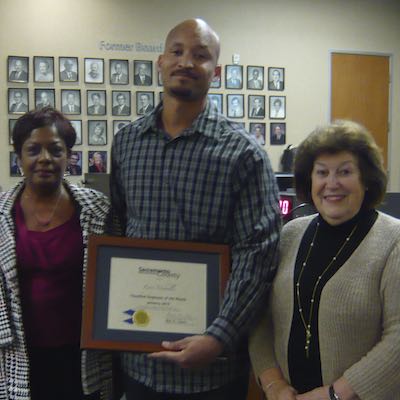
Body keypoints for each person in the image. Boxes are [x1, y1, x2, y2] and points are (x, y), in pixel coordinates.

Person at [110, 18, 281, 400]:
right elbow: (120, 231)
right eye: (177, 51)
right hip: (139, 363)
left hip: (211, 372)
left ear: (215, 72)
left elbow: (258, 255)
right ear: (160, 62)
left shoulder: (243, 154)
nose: (186, 62)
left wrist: (219, 336)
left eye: (200, 55)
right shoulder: (126, 143)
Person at [249, 120, 400, 400]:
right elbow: (260, 319)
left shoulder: (394, 240)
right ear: (310, 180)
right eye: (322, 172)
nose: (332, 183)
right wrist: (274, 385)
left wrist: (333, 395)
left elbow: (398, 340)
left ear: (366, 180)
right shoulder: (290, 235)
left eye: (344, 171)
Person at [0, 107, 112, 399]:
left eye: (56, 150)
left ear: (69, 156)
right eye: (33, 150)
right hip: (19, 353)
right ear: (19, 156)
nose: (45, 159)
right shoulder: (0, 214)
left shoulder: (99, 209)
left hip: (84, 354)